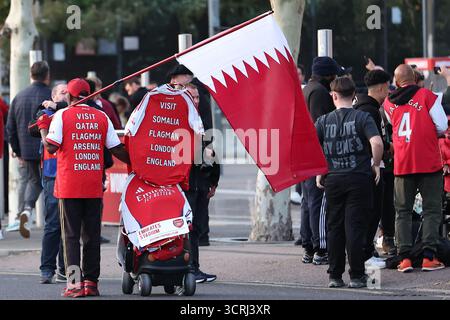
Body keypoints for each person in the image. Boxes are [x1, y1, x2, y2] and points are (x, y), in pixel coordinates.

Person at [37, 78, 130, 298]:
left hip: (69, 187)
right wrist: (138, 163)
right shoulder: (101, 116)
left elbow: (51, 145)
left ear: (69, 96)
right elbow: (117, 150)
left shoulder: (61, 115)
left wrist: (43, 128)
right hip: (93, 185)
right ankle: (91, 283)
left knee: (70, 236)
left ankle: (73, 284)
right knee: (91, 236)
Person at [316, 77, 383, 288]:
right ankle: (356, 275)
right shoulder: (363, 117)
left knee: (334, 227)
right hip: (359, 178)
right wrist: (376, 164)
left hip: (333, 178)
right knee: (355, 227)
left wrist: (320, 171)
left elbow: (312, 148)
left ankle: (335, 276)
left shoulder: (323, 121)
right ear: (354, 96)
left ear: (333, 96)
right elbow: (377, 142)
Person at [384, 64, 448, 273]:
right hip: (428, 161)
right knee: (431, 210)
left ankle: (404, 259)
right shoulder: (427, 96)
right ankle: (429, 257)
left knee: (402, 211)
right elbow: (442, 126)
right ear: (413, 77)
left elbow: (392, 127)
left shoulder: (388, 103)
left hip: (402, 163)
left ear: (396, 81)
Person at [299, 56, 340, 265]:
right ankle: (319, 248)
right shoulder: (319, 93)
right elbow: (321, 125)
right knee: (317, 202)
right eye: (334, 74)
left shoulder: (308, 89)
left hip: (303, 153)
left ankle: (308, 245)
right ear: (328, 75)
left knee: (308, 202)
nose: (336, 79)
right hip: (315, 154)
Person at [6, 61, 51, 238]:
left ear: (31, 75)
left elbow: (10, 127)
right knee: (50, 183)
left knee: (34, 180)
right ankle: (50, 218)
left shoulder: (19, 96)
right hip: (49, 149)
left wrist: (17, 151)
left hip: (27, 150)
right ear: (47, 75)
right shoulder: (50, 96)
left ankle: (26, 210)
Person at [354, 69, 392, 266]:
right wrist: (383, 153)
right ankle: (366, 254)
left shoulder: (363, 106)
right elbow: (375, 142)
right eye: (387, 87)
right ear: (380, 87)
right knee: (372, 211)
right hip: (371, 167)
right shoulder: (369, 110)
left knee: (370, 211)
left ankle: (365, 252)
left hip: (365, 167)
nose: (388, 91)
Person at [185, 83, 220, 283]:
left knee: (197, 227)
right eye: (193, 97)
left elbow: (214, 151)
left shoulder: (201, 119)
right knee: (187, 227)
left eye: (198, 97)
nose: (197, 101)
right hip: (186, 184)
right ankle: (188, 268)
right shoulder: (180, 121)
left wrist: (214, 180)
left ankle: (194, 268)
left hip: (202, 182)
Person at [38, 84, 68, 284]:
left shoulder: (72, 112)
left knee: (69, 226)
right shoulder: (45, 112)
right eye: (62, 92)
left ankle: (64, 269)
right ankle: (47, 269)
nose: (66, 95)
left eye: (68, 92)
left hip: (70, 173)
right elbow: (37, 121)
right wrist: (56, 106)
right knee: (53, 224)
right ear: (53, 96)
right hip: (52, 173)